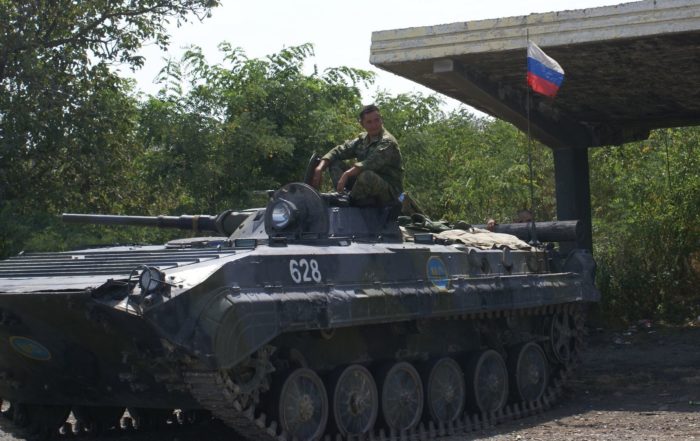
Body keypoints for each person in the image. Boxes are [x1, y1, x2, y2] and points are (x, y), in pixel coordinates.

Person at [311, 104, 403, 206]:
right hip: (363, 186)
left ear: (382, 120)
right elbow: (339, 151)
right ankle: (342, 194)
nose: (374, 125)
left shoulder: (387, 141)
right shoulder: (362, 140)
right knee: (335, 163)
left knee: (367, 175)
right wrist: (319, 168)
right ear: (362, 124)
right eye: (369, 122)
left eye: (377, 120)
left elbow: (370, 163)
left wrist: (346, 174)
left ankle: (348, 201)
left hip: (390, 191)